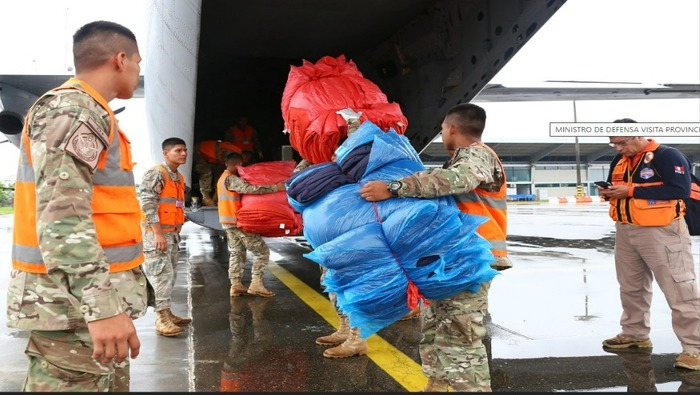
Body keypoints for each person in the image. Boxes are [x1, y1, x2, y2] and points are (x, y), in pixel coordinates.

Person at [6, 21, 149, 392]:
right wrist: (101, 307)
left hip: (83, 308)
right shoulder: (74, 110)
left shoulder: (91, 112)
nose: (138, 71)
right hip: (75, 310)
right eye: (137, 62)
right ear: (121, 60)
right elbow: (62, 218)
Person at [359, 102, 512, 391]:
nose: (442, 134)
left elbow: (458, 180)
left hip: (474, 259)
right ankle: (437, 384)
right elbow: (438, 179)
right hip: (451, 259)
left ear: (452, 128)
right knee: (434, 327)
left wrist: (394, 188)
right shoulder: (457, 160)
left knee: (461, 334)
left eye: (442, 128)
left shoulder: (477, 155)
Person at [598, 118, 700, 371]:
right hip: (626, 229)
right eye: (614, 144)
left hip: (663, 231)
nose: (618, 149)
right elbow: (620, 187)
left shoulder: (667, 155)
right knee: (631, 286)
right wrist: (609, 193)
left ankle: (694, 348)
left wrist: (630, 192)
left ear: (639, 135)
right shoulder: (619, 160)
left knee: (680, 289)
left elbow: (679, 189)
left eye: (622, 143)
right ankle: (634, 333)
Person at [138, 137, 191, 337]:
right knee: (161, 277)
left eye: (184, 150)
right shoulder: (156, 174)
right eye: (178, 150)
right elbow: (148, 204)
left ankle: (167, 312)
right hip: (157, 236)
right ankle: (161, 319)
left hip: (171, 235)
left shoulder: (177, 176)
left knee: (170, 276)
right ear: (166, 153)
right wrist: (158, 233)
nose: (183, 154)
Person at [217, 152, 285, 298]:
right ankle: (256, 284)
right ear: (238, 165)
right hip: (238, 222)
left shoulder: (222, 178)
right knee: (262, 251)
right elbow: (250, 189)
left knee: (237, 252)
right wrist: (275, 188)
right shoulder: (231, 179)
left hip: (227, 222)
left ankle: (236, 285)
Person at [192, 139, 242, 206]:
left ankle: (216, 196)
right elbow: (229, 169)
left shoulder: (235, 153)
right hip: (199, 151)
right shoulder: (228, 153)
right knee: (206, 173)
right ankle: (206, 197)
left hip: (213, 156)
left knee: (219, 174)